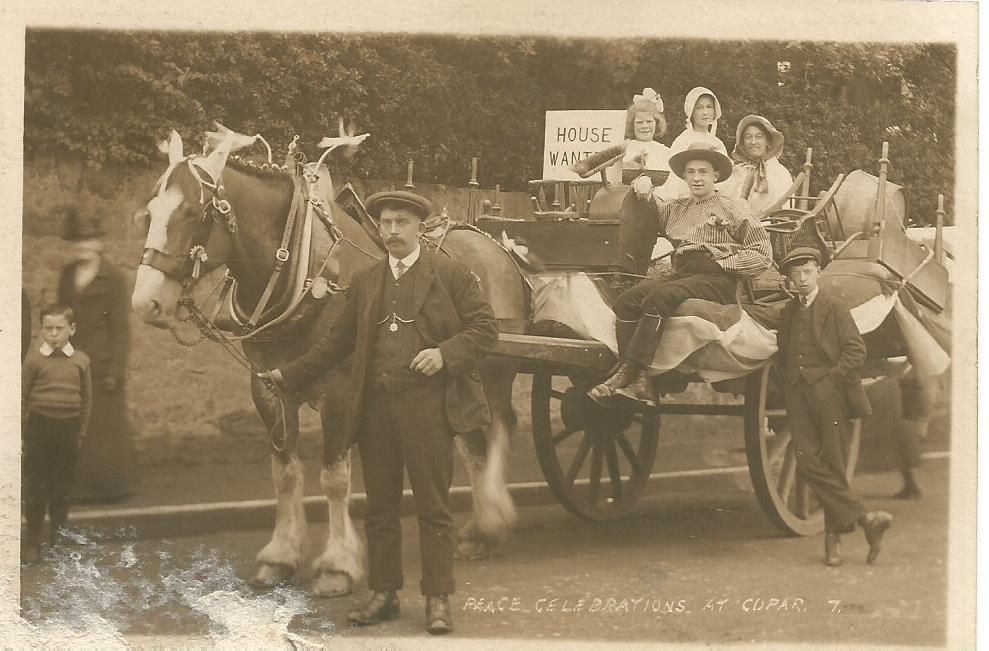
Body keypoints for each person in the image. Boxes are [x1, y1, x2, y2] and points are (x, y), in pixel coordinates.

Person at [264, 191, 498, 635]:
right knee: (381, 508)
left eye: (401, 223)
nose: (392, 231)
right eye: (386, 223)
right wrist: (284, 376)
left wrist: (445, 354)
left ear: (418, 228)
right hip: (375, 411)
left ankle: (438, 598)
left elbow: (485, 329)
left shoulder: (450, 275)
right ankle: (384, 593)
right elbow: (335, 344)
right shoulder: (367, 281)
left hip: (429, 408)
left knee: (434, 506)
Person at [589, 142, 773, 406]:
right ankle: (632, 373)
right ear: (684, 176)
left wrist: (725, 264)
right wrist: (643, 186)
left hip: (717, 277)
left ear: (715, 176)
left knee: (661, 296)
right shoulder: (674, 208)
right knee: (627, 301)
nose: (697, 178)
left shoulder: (732, 207)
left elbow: (762, 253)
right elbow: (647, 210)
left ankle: (634, 374)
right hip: (684, 272)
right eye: (691, 172)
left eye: (703, 172)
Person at [776, 246, 893, 566]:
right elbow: (783, 353)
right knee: (807, 461)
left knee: (835, 467)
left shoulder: (835, 307)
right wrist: (790, 385)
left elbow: (856, 352)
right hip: (798, 395)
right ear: (788, 278)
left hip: (830, 396)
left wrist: (831, 380)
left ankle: (834, 543)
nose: (801, 279)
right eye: (795, 274)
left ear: (817, 273)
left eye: (807, 272)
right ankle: (868, 520)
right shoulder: (788, 312)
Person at [57, 206, 137, 502]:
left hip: (102, 365)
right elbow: (60, 318)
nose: (84, 246)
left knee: (105, 429)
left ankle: (113, 486)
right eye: (78, 241)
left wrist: (116, 367)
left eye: (89, 240)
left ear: (100, 242)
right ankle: (78, 486)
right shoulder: (67, 275)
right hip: (71, 361)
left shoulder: (113, 277)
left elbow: (121, 329)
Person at [21, 303, 92, 563]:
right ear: (41, 330)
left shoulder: (81, 361)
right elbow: (22, 398)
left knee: (61, 489)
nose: (53, 334)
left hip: (68, 430)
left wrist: (79, 432)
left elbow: (86, 401)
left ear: (71, 329)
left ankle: (59, 542)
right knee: (36, 488)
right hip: (39, 428)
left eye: (59, 328)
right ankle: (33, 543)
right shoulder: (34, 360)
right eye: (48, 328)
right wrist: (22, 434)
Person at [661, 86, 729, 200]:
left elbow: (722, 176)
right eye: (699, 108)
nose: (705, 112)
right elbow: (675, 176)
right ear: (691, 111)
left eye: (709, 107)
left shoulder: (718, 143)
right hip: (687, 198)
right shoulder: (683, 141)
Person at [724, 115, 794, 217]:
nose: (753, 142)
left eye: (759, 136)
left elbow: (786, 209)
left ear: (767, 142)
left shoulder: (779, 172)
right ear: (742, 142)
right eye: (748, 137)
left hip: (771, 228)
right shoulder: (737, 170)